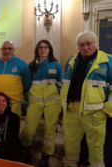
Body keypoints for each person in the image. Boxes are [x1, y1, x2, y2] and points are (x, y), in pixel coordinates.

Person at [61, 30, 112, 167]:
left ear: (95, 44)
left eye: (88, 44)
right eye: (81, 45)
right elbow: (65, 84)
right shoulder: (72, 61)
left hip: (95, 114)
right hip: (71, 111)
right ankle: (70, 164)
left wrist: (107, 110)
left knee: (96, 147)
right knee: (70, 143)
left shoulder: (107, 61)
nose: (85, 48)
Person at [22, 40, 64, 166]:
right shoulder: (31, 66)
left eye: (46, 47)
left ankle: (46, 155)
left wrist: (62, 102)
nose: (43, 49)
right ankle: (26, 149)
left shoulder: (56, 65)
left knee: (50, 131)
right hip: (35, 103)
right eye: (40, 47)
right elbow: (27, 84)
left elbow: (62, 84)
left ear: (50, 50)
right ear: (37, 50)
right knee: (29, 128)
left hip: (53, 104)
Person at [0, 41, 31, 116]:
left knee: (13, 126)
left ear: (13, 50)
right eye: (4, 48)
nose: (7, 51)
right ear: (1, 50)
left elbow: (27, 84)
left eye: (9, 48)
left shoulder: (22, 64)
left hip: (14, 104)